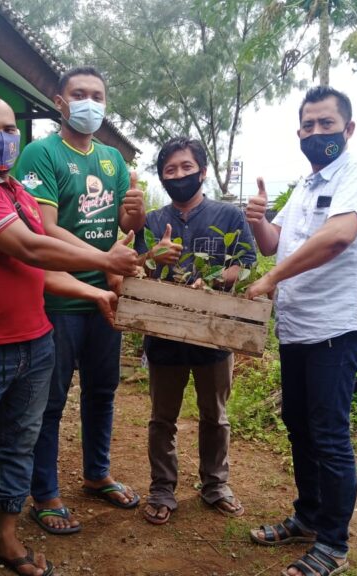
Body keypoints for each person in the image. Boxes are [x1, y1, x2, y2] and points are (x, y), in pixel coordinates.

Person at [0, 95, 139, 576]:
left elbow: (33, 270)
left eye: (8, 129)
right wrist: (105, 261)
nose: (0, 138)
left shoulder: (18, 192)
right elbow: (29, 246)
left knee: (19, 446)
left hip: (34, 344)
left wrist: (95, 295)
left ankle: (5, 537)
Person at [244, 86, 357, 576]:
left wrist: (272, 278)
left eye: (326, 124)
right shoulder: (305, 186)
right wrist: (259, 220)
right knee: (299, 424)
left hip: (337, 324)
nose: (316, 133)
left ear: (348, 129)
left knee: (328, 434)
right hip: (298, 327)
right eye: (308, 125)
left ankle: (333, 543)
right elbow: (272, 245)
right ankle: (308, 516)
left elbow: (340, 236)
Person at [16, 66, 146, 535]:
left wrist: (132, 227)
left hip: (104, 300)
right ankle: (44, 493)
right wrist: (104, 259)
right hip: (57, 298)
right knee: (49, 401)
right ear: (60, 101)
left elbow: (123, 229)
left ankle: (96, 474)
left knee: (102, 393)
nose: (89, 102)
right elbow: (44, 229)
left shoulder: (113, 160)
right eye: (79, 94)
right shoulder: (40, 154)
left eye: (97, 95)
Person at [134, 137, 257, 525]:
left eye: (186, 167)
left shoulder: (229, 216)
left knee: (215, 415)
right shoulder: (152, 222)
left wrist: (219, 278)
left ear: (202, 171)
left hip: (215, 332)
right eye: (170, 170)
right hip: (164, 333)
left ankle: (215, 485)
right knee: (162, 417)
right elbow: (134, 267)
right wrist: (151, 257)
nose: (179, 175)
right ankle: (162, 488)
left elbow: (248, 261)